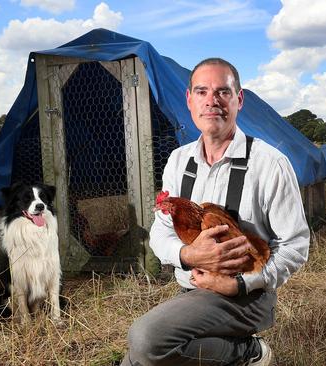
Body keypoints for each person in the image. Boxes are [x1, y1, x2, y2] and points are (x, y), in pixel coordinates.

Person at [122, 58, 310, 365]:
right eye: (202, 91)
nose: (212, 100)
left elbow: (296, 246)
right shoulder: (178, 161)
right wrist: (188, 255)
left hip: (246, 295)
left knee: (146, 340)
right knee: (135, 359)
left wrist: (239, 284)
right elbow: (160, 230)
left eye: (223, 91)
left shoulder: (269, 163)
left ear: (239, 99)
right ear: (189, 100)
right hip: (194, 288)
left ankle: (249, 353)